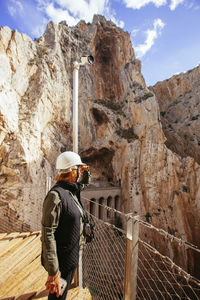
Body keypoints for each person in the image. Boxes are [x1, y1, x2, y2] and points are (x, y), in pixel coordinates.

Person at [41, 151, 91, 299]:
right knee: (57, 295)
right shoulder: (55, 196)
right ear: (72, 171)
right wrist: (53, 270)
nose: (79, 173)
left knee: (60, 293)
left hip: (70, 255)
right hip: (61, 260)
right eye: (78, 170)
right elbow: (47, 234)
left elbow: (84, 184)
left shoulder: (71, 190)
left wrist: (86, 172)